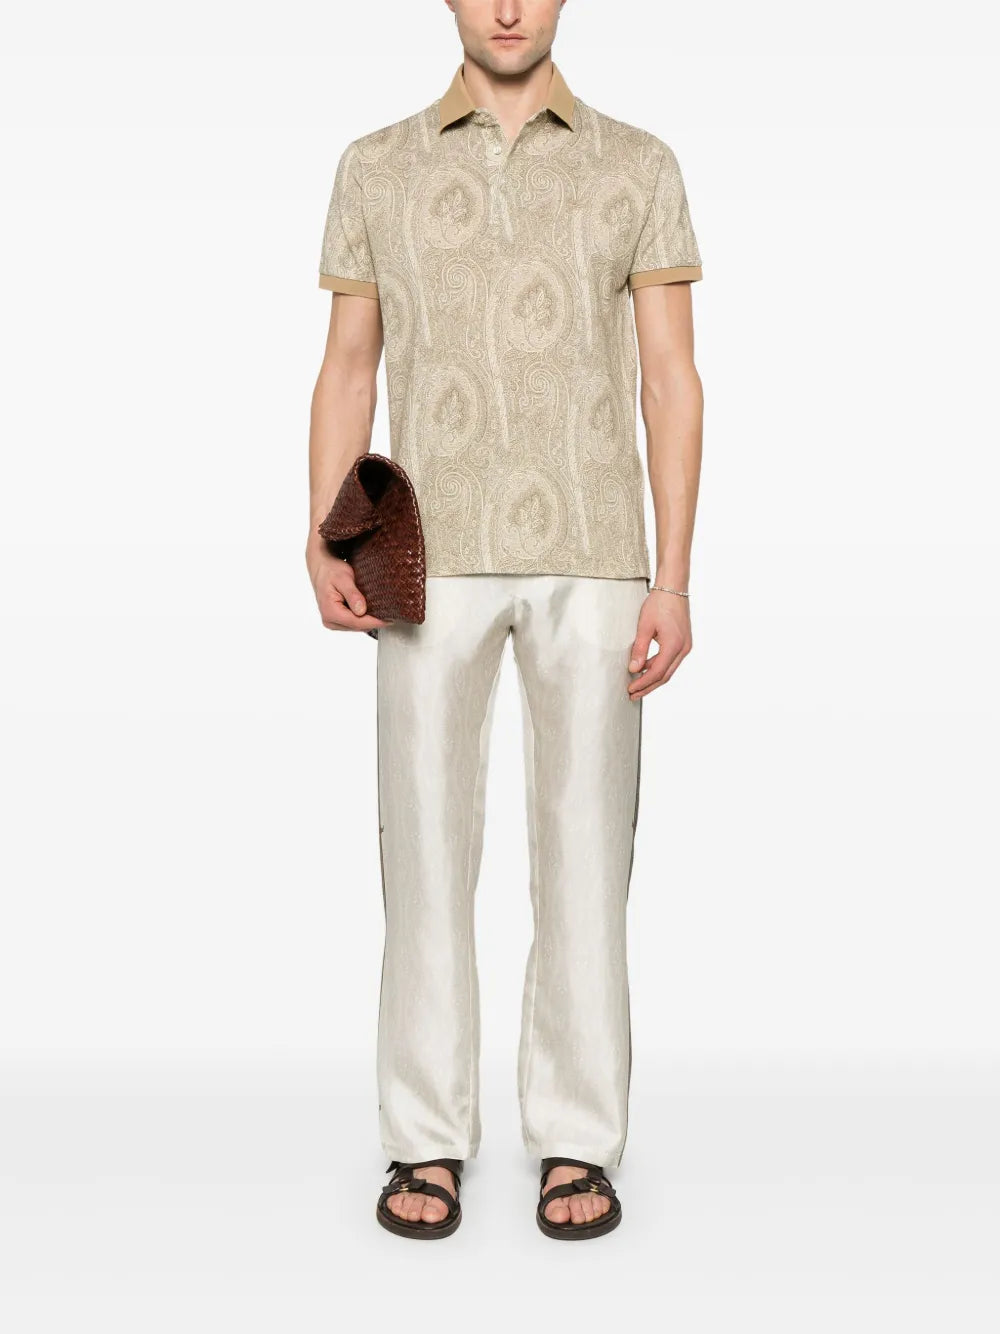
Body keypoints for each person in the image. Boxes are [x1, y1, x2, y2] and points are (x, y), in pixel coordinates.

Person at [305, 0, 704, 1241]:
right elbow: (349, 366)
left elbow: (670, 378)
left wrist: (673, 575)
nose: (510, 8)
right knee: (421, 851)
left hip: (596, 553)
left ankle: (577, 1134)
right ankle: (423, 1135)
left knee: (586, 856)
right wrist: (323, 532)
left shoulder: (638, 163)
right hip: (425, 554)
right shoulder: (377, 164)